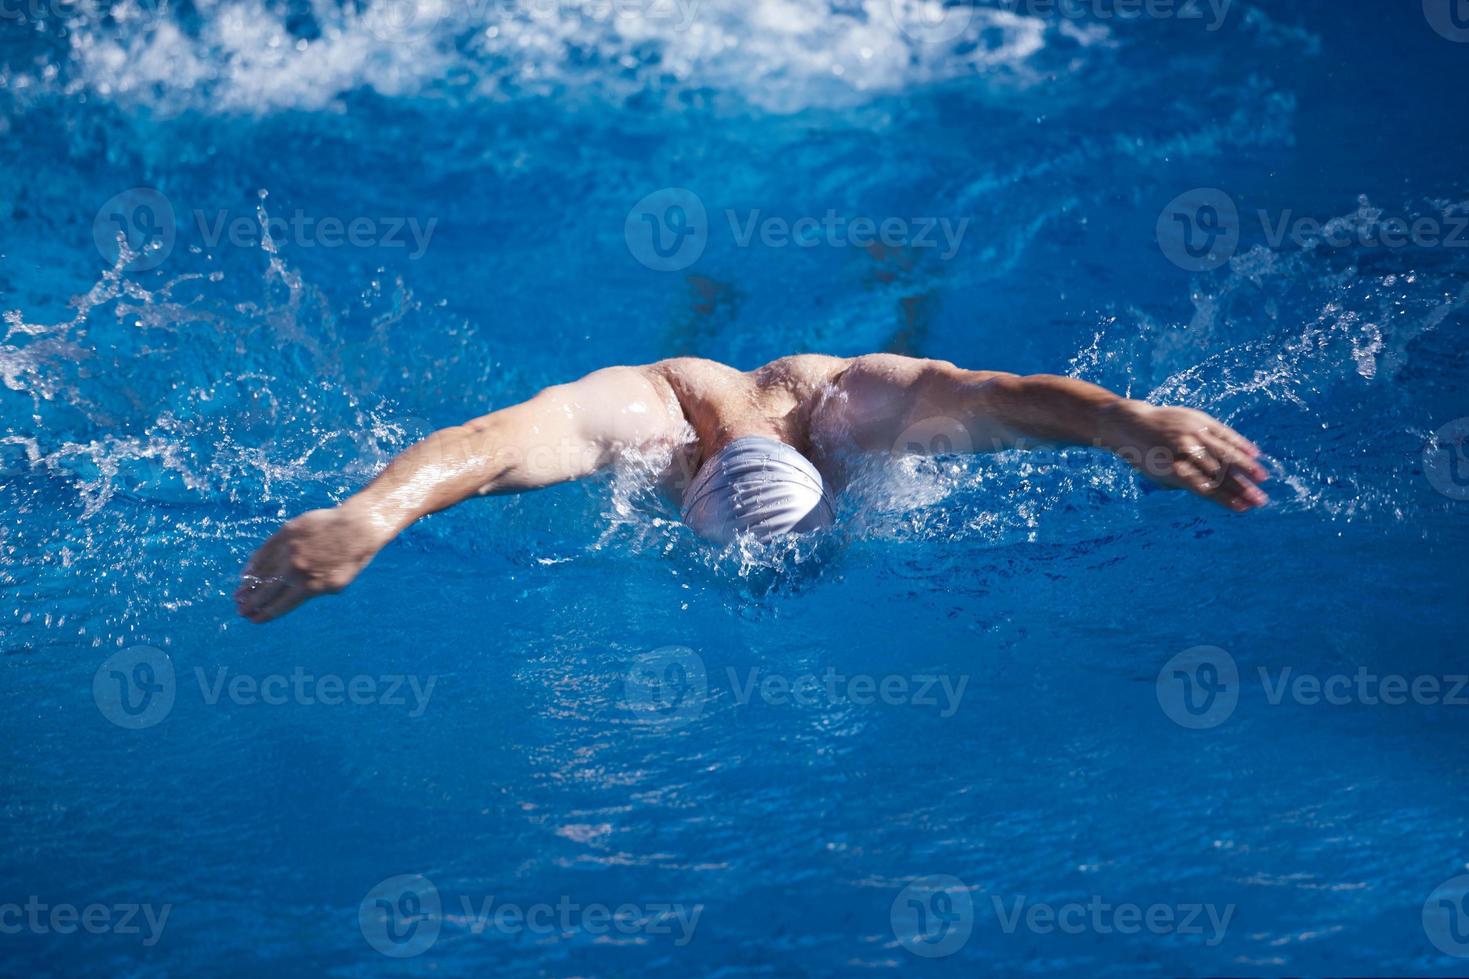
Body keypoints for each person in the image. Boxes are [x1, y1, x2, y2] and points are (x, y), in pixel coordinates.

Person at [235, 354, 1269, 623]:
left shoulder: (853, 407)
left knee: (915, 314)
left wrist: (1124, 421)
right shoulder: (647, 412)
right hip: (694, 394)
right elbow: (495, 442)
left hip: (838, 396)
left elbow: (995, 394)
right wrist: (372, 512)